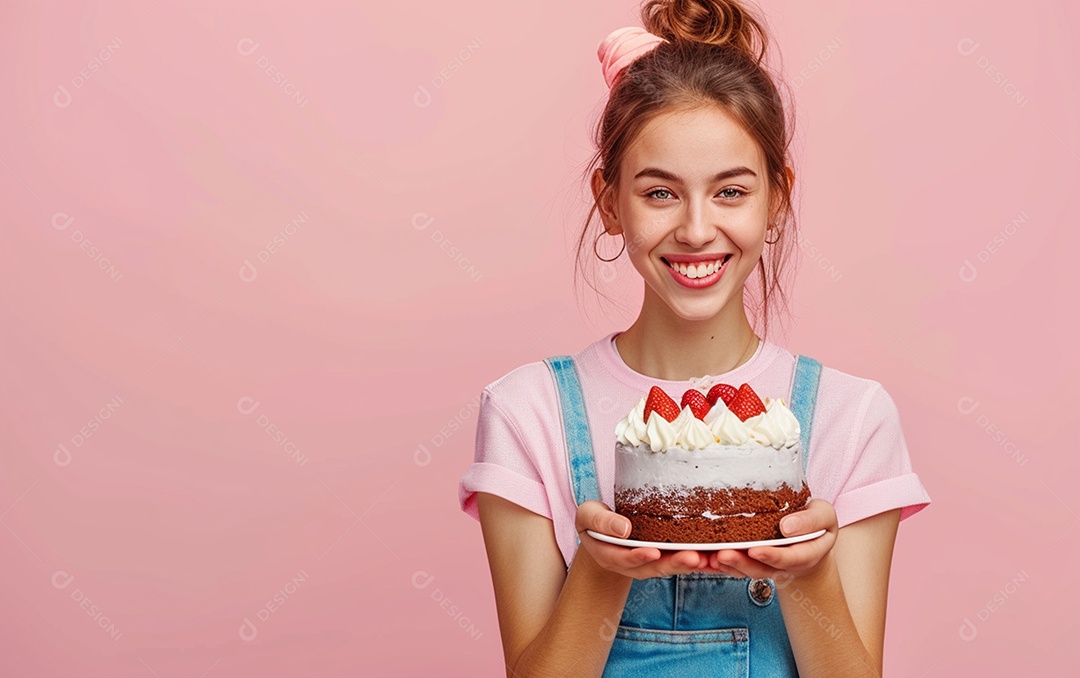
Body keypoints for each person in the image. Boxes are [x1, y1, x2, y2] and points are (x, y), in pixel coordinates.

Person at [457, 0, 931, 675]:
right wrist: (602, 570)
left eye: (731, 192)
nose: (697, 229)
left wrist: (807, 574)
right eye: (660, 193)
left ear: (777, 200)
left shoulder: (851, 418)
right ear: (609, 203)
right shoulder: (527, 412)